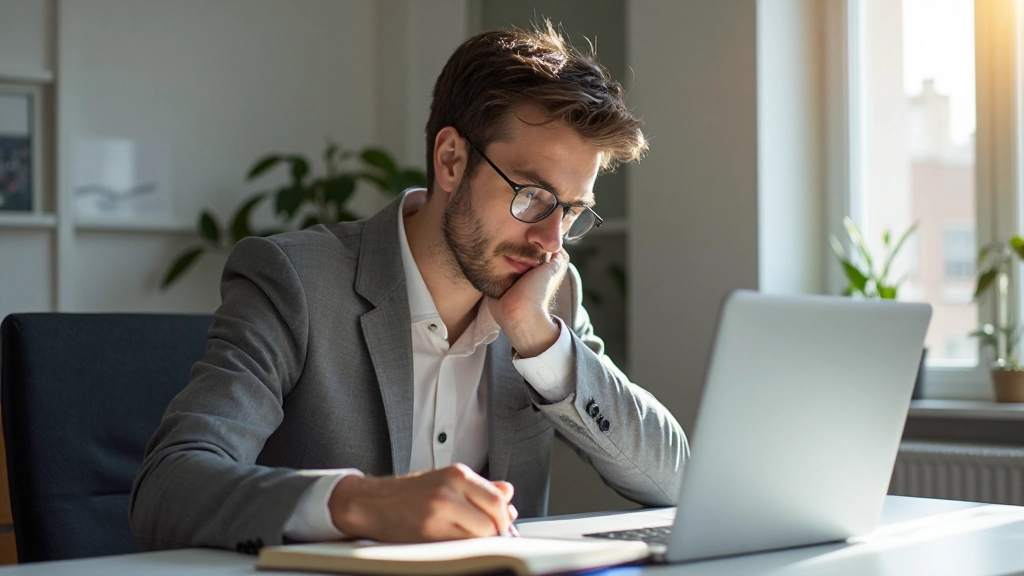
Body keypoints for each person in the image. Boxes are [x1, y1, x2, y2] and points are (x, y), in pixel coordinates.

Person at [130, 21, 688, 553]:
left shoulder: (550, 295)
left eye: (570, 212)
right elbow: (168, 487)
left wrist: (541, 342)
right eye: (533, 196)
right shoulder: (294, 281)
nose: (549, 240)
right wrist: (359, 503)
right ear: (451, 160)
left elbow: (676, 482)